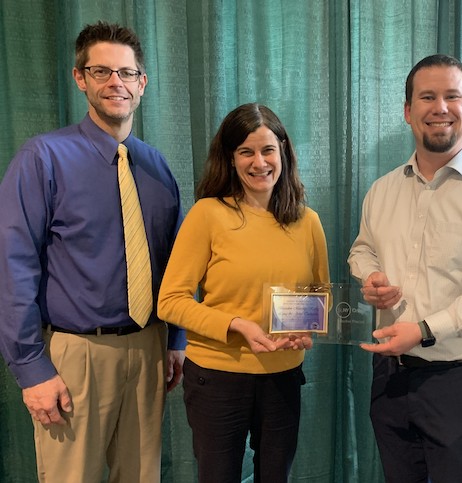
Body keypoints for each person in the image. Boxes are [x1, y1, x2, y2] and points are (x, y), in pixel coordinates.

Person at [0, 21, 185, 483]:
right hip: (73, 357)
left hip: (149, 350)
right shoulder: (43, 157)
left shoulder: (157, 167)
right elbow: (13, 265)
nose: (115, 83)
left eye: (126, 73)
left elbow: (173, 264)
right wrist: (31, 369)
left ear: (142, 84)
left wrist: (176, 341)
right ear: (80, 77)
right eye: (101, 71)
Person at [348, 54, 462, 483]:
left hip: (461, 381)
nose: (441, 107)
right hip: (390, 376)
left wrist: (424, 330)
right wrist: (370, 277)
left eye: (453, 96)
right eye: (427, 96)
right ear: (408, 111)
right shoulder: (382, 190)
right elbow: (362, 250)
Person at [158, 102, 330, 483]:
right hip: (216, 379)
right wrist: (237, 324)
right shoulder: (208, 214)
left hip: (283, 378)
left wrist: (307, 329)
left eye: (268, 149)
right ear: (231, 159)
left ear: (283, 151)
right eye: (246, 151)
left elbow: (318, 300)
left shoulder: (308, 221)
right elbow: (170, 301)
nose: (259, 162)